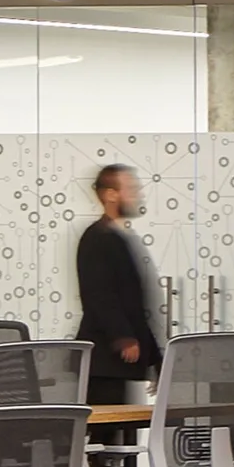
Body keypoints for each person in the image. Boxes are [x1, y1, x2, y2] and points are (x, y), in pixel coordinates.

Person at [74, 163, 163, 405]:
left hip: (124, 364)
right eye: (131, 189)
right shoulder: (97, 239)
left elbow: (134, 305)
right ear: (110, 194)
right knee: (107, 438)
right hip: (105, 362)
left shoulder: (122, 238)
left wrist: (155, 359)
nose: (138, 195)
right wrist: (123, 337)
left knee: (125, 437)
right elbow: (98, 295)